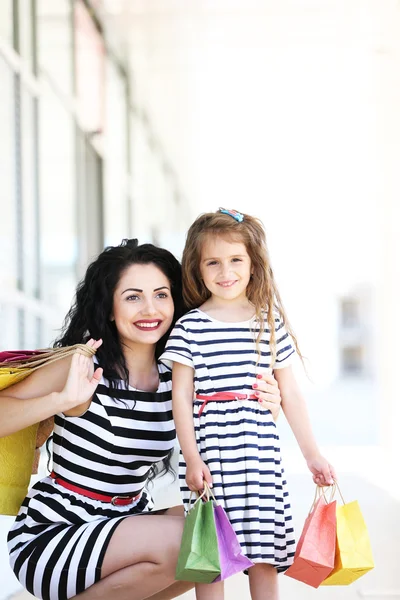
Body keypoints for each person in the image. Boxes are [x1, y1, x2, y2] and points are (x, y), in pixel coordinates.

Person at [0, 238, 282, 600]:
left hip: (125, 520)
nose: (150, 309)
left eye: (161, 295)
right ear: (110, 308)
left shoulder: (177, 376)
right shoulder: (82, 365)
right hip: (56, 534)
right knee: (189, 542)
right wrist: (62, 399)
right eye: (133, 297)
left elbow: (227, 423)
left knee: (226, 533)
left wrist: (267, 407)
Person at [160, 209, 336, 600]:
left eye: (236, 259)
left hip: (259, 457)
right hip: (211, 457)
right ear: (198, 269)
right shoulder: (190, 326)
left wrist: (313, 456)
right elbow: (180, 398)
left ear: (253, 264)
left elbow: (289, 394)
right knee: (210, 557)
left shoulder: (268, 322)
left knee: (264, 556)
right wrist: (191, 457)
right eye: (214, 262)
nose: (226, 271)